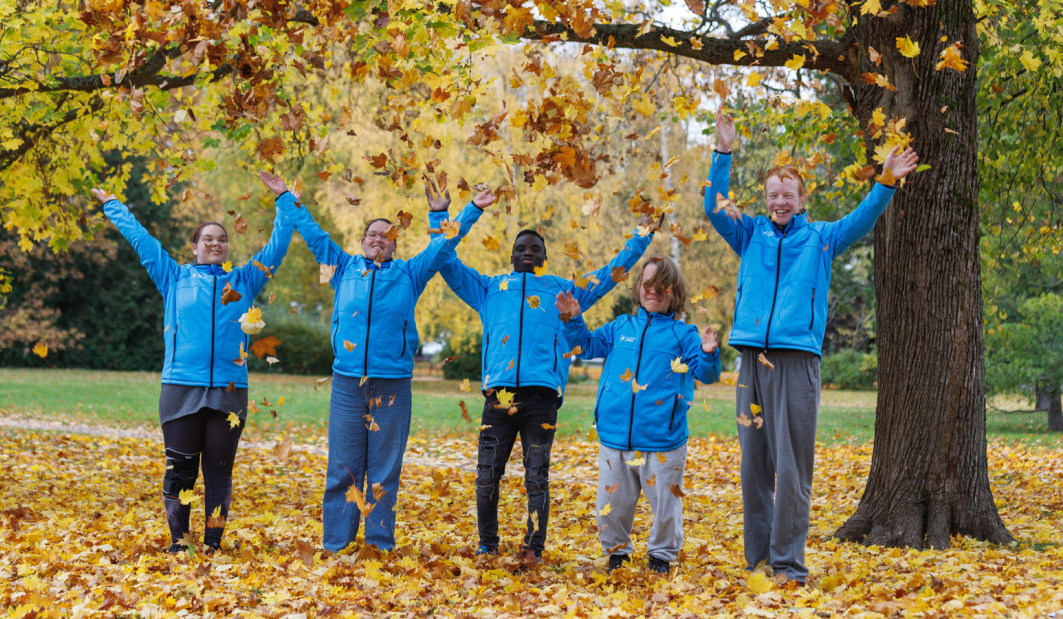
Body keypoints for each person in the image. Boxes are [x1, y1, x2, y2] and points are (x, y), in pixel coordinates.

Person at [705, 108, 919, 584]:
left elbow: (861, 221)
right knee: (754, 465)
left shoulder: (821, 239)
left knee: (792, 467)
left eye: (788, 195)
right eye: (772, 195)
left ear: (802, 200)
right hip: (749, 362)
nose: (779, 201)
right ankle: (758, 558)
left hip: (796, 362)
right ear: (766, 200)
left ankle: (788, 564)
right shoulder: (750, 234)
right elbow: (713, 206)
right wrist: (723, 152)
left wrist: (885, 182)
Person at [427, 182, 657, 564]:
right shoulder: (488, 288)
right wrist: (441, 217)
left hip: (541, 398)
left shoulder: (562, 290)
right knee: (486, 477)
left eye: (535, 249)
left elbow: (611, 273)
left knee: (536, 478)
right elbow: (443, 260)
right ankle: (488, 544)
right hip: (497, 398)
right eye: (521, 248)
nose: (528, 252)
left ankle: (533, 547)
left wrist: (641, 235)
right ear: (512, 255)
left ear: (544, 257)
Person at [272, 174, 493, 552]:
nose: (378, 238)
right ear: (361, 242)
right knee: (343, 468)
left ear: (394, 243)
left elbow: (444, 246)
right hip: (347, 384)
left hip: (392, 386)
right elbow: (312, 233)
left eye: (386, 235)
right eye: (372, 234)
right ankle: (336, 545)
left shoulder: (410, 273)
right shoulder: (342, 267)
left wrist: (459, 211)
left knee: (384, 472)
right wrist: (285, 201)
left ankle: (378, 547)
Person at [92, 173, 293, 553]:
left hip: (230, 391)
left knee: (218, 474)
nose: (215, 243)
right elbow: (143, 243)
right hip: (180, 387)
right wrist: (112, 206)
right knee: (180, 470)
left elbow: (276, 248)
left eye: (222, 239)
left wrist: (284, 201)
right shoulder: (174, 277)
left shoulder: (245, 280)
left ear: (226, 247)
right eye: (208, 239)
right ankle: (180, 543)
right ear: (196, 246)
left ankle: (214, 544)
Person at [555, 256, 720, 574]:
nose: (653, 291)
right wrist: (573, 320)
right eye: (647, 284)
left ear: (674, 292)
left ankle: (661, 558)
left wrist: (710, 353)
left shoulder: (683, 335)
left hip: (663, 440)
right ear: (638, 289)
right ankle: (617, 554)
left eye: (661, 286)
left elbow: (707, 374)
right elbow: (585, 347)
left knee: (665, 507)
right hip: (615, 437)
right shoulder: (620, 327)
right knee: (611, 506)